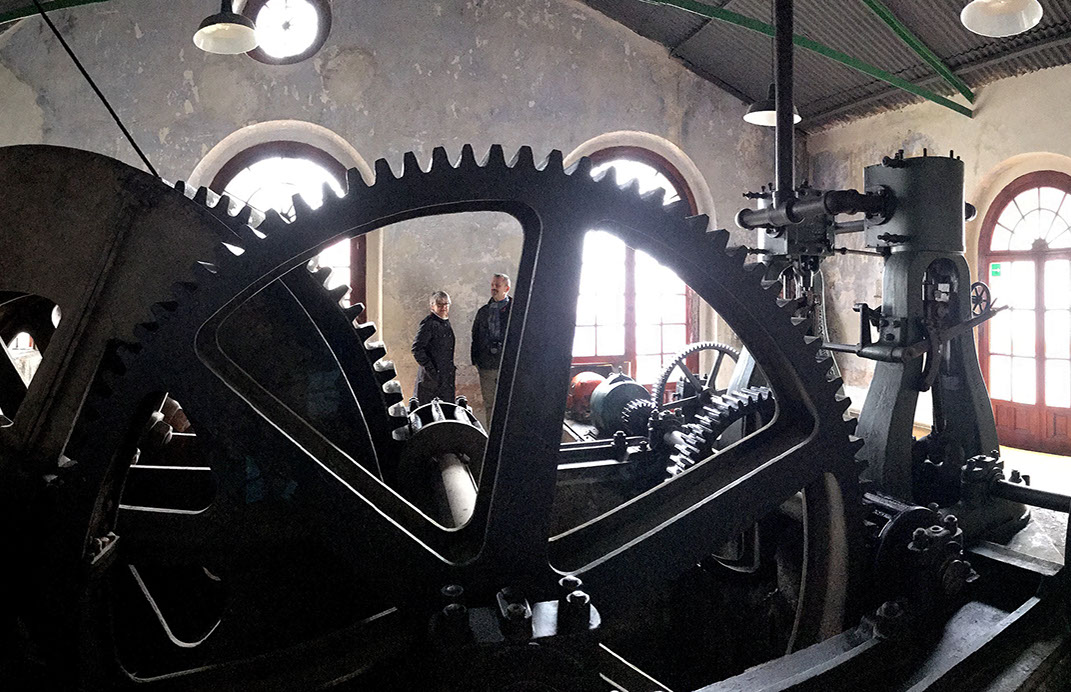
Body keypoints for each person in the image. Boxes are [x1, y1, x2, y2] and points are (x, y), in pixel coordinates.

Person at [471, 273, 511, 422]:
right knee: (490, 405)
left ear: (506, 288)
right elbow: (475, 336)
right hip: (487, 366)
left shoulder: (516, 312)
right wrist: (476, 361)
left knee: (509, 404)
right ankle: (491, 434)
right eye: (492, 285)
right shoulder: (483, 312)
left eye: (497, 285)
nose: (494, 288)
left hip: (509, 366)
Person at [412, 291, 455, 405]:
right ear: (432, 306)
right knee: (427, 411)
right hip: (430, 380)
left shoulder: (445, 323)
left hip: (445, 378)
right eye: (439, 304)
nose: (443, 307)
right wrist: (431, 370)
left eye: (446, 304)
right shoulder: (429, 324)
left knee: (446, 410)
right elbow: (417, 349)